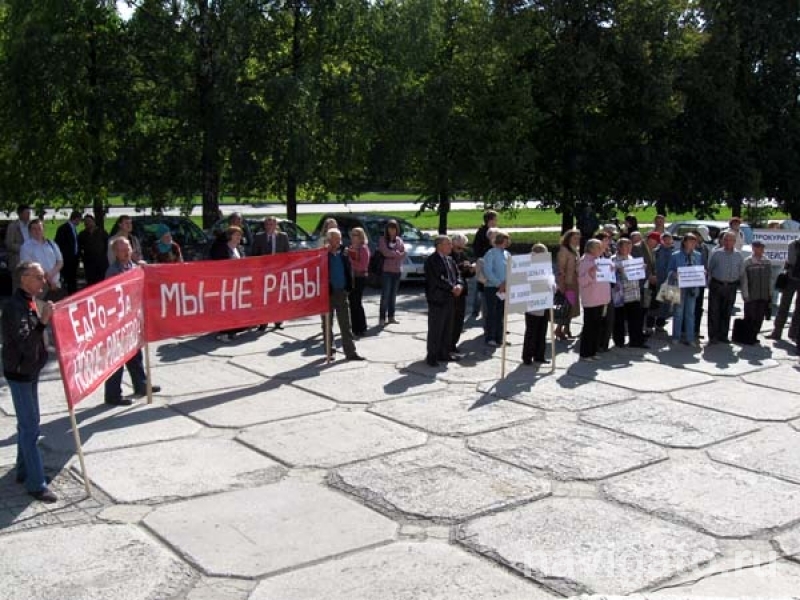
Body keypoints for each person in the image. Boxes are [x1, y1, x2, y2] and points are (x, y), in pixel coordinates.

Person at [2, 262, 57, 503]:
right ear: (24, 279)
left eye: (43, 277)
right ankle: (36, 483)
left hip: (30, 370)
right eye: (38, 277)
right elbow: (25, 343)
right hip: (20, 373)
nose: (43, 281)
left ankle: (24, 470)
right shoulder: (15, 307)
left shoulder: (29, 300)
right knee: (31, 427)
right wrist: (43, 321)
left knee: (28, 424)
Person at [104, 239, 161, 405]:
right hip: (119, 321)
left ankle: (141, 385)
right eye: (122, 250)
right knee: (118, 358)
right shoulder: (113, 271)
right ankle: (113, 394)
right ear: (115, 253)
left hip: (133, 318)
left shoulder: (134, 266)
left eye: (128, 248)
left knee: (136, 354)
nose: (126, 252)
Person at [323, 228, 364, 361]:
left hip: (342, 292)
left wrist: (349, 286)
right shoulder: (323, 254)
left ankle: (350, 352)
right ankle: (330, 351)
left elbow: (350, 268)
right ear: (329, 240)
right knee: (327, 324)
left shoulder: (344, 252)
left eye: (340, 239)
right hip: (327, 294)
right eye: (336, 239)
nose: (339, 242)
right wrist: (325, 251)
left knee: (346, 324)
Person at [424, 235, 464, 366]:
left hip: (450, 299)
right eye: (448, 244)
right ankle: (432, 356)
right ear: (439, 246)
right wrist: (452, 287)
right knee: (436, 329)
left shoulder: (450, 260)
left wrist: (459, 285)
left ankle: (444, 353)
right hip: (438, 299)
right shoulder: (432, 260)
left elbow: (458, 275)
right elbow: (437, 279)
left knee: (448, 328)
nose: (451, 246)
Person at [252, 216, 290, 332]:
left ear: (276, 225)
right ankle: (263, 322)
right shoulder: (259, 237)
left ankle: (278, 321)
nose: (269, 227)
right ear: (264, 226)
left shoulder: (283, 237)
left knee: (277, 297)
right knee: (264, 298)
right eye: (267, 224)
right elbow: (254, 254)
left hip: (278, 272)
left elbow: (287, 254)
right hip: (264, 272)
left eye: (272, 224)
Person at [707, 231, 744, 344]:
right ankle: (713, 336)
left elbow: (741, 272)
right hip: (717, 285)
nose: (728, 242)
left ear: (734, 242)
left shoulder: (738, 255)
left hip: (731, 286)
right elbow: (710, 269)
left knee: (727, 311)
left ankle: (723, 335)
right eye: (726, 240)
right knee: (714, 311)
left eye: (730, 240)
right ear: (722, 241)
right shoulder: (717, 254)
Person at [210, 226, 245, 342]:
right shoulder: (222, 248)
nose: (239, 237)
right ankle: (223, 332)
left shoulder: (240, 248)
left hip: (238, 283)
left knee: (235, 307)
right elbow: (218, 265)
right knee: (226, 307)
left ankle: (232, 329)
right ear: (230, 236)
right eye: (236, 234)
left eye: (240, 235)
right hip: (225, 283)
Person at [668, 233, 702, 348]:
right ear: (684, 242)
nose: (693, 244)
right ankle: (676, 337)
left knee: (690, 313)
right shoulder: (675, 255)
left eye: (694, 242)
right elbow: (669, 271)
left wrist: (702, 273)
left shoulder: (698, 255)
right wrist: (674, 274)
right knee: (678, 313)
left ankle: (690, 338)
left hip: (692, 288)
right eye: (690, 241)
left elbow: (700, 269)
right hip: (679, 287)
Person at [612, 238, 647, 349]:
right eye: (626, 246)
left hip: (634, 294)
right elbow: (610, 277)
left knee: (636, 319)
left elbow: (637, 275)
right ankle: (619, 342)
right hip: (621, 295)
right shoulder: (613, 260)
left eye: (630, 246)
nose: (628, 249)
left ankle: (636, 341)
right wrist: (618, 271)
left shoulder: (632, 258)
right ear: (619, 247)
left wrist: (641, 269)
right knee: (619, 320)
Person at [578, 239, 611, 361]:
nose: (601, 249)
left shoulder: (600, 260)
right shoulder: (584, 261)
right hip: (591, 300)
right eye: (599, 247)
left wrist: (611, 270)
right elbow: (581, 281)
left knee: (597, 327)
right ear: (591, 249)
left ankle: (593, 351)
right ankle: (585, 353)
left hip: (601, 299)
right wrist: (590, 273)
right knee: (589, 327)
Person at [522, 243, 552, 365]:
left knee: (542, 330)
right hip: (533, 302)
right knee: (532, 330)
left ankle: (539, 355)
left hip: (544, 300)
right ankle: (527, 356)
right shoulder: (528, 265)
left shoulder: (545, 265)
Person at [20, 219, 64, 301]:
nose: (37, 231)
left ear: (43, 229)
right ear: (30, 231)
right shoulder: (26, 247)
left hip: (56, 284)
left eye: (39, 228)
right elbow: (29, 267)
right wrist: (49, 281)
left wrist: (51, 275)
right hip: (39, 287)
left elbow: (60, 261)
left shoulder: (52, 244)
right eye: (34, 229)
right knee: (41, 308)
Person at [483, 231, 511, 347]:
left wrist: (506, 284)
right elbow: (487, 271)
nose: (507, 242)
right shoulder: (491, 253)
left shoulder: (507, 254)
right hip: (492, 288)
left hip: (504, 288)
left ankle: (500, 337)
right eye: (505, 240)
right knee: (492, 313)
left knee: (501, 313)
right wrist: (499, 283)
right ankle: (490, 337)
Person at [740, 240, 772, 345]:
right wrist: (745, 294)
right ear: (753, 248)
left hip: (763, 295)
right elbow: (744, 279)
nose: (761, 249)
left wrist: (770, 293)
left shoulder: (767, 261)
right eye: (758, 247)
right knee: (750, 316)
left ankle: (754, 336)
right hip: (751, 295)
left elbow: (770, 279)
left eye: (762, 247)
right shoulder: (747, 262)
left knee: (759, 317)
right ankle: (747, 337)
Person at [770, 235, 800, 341]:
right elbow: (792, 261)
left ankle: (790, 333)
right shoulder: (793, 244)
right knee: (784, 306)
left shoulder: (793, 244)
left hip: (792, 277)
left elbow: (790, 261)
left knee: (792, 308)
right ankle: (779, 332)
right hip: (791, 278)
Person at [449, 233, 474, 354]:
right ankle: (447, 344)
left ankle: (453, 343)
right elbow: (451, 270)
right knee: (451, 320)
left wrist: (471, 269)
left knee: (459, 319)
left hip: (462, 290)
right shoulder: (449, 255)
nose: (461, 249)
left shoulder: (462, 254)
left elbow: (466, 274)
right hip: (452, 291)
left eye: (463, 246)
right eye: (459, 246)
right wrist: (462, 266)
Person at [377, 219, 406, 326]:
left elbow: (404, 253)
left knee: (393, 296)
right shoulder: (382, 240)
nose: (392, 230)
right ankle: (382, 318)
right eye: (390, 228)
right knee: (385, 295)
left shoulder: (399, 240)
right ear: (387, 229)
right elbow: (385, 253)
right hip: (387, 271)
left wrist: (395, 254)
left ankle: (391, 317)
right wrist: (397, 254)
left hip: (397, 271)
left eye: (394, 228)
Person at [471, 210, 497, 317]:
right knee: (480, 286)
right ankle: (476, 309)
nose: (496, 221)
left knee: (484, 286)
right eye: (495, 219)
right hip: (483, 262)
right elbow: (477, 248)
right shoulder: (483, 233)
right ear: (490, 220)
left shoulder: (493, 231)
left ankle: (481, 310)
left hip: (490, 263)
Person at [555, 229, 581, 340]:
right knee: (566, 306)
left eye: (578, 238)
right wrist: (562, 285)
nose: (577, 240)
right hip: (567, 283)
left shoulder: (575, 250)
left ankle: (567, 328)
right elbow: (561, 269)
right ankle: (558, 329)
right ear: (568, 238)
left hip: (575, 282)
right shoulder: (564, 250)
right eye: (575, 238)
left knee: (572, 306)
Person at [347, 227, 370, 337]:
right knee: (352, 303)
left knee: (357, 302)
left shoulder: (363, 248)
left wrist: (350, 261)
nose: (353, 237)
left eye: (355, 235)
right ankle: (355, 328)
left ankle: (362, 327)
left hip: (360, 277)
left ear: (361, 236)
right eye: (352, 235)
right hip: (351, 277)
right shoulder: (351, 247)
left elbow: (362, 266)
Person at [5, 204, 33, 290]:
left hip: (31, 261)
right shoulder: (12, 226)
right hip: (17, 261)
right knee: (18, 286)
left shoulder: (32, 226)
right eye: (27, 213)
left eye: (29, 213)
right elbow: (9, 244)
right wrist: (24, 248)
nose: (29, 215)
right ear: (20, 214)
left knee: (30, 286)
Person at [692, 226, 713, 339]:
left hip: (700, 282)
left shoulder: (705, 248)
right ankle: (684, 331)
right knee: (688, 307)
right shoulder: (689, 247)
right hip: (690, 282)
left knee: (698, 307)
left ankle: (696, 330)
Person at [55, 211, 82, 294]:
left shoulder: (73, 228)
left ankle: (73, 292)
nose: (79, 222)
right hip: (67, 259)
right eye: (79, 220)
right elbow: (58, 243)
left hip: (73, 259)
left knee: (72, 278)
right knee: (69, 279)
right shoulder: (63, 228)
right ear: (76, 219)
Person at [654, 232, 676, 331]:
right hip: (658, 281)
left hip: (670, 281)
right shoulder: (656, 251)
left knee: (667, 303)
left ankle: (660, 324)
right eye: (665, 239)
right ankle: (650, 324)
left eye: (669, 239)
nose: (667, 241)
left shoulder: (674, 253)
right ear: (661, 241)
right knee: (656, 304)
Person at [78, 214, 109, 285]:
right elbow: (79, 248)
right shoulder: (82, 234)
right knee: (91, 282)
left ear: (93, 221)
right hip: (89, 263)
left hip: (101, 262)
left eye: (89, 221)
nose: (87, 223)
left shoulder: (102, 232)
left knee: (102, 281)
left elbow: (107, 245)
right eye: (85, 222)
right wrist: (83, 258)